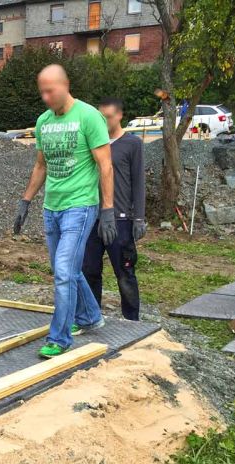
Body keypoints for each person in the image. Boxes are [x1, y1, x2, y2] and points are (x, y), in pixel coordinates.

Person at [13, 64, 116, 359]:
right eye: (41, 92)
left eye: (50, 90)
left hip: (80, 207)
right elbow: (41, 165)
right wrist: (25, 201)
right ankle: (91, 317)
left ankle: (59, 338)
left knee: (63, 273)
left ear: (65, 85)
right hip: (52, 207)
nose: (45, 97)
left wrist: (107, 209)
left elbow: (105, 165)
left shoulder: (88, 117)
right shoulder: (44, 121)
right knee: (66, 270)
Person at [82, 97, 146, 321]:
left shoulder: (132, 144)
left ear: (120, 116)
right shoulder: (92, 143)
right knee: (89, 270)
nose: (104, 122)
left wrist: (139, 217)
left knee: (125, 273)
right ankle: (91, 317)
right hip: (92, 218)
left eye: (108, 117)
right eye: (101, 117)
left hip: (120, 220)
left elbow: (138, 181)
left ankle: (131, 319)